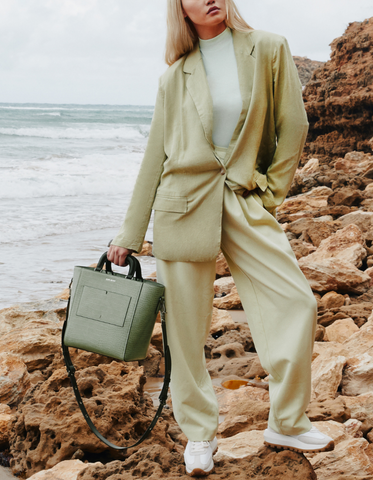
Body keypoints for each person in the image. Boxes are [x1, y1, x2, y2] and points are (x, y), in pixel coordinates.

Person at [108, 0, 334, 476]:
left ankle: (287, 421)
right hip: (182, 206)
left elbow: (294, 125)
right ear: (181, 10)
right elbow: (155, 156)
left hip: (244, 200)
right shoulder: (175, 76)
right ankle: (199, 434)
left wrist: (270, 192)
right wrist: (130, 232)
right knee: (185, 331)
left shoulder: (269, 49)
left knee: (297, 302)